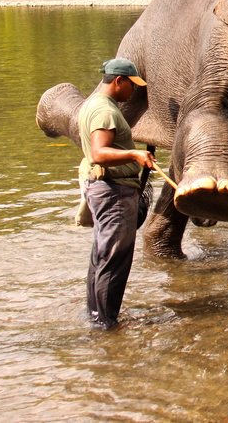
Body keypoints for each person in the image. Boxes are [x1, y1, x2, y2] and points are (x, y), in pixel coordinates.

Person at [77, 58, 156, 329]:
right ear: (118, 81)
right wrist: (134, 153)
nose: (133, 92)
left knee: (101, 256)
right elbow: (99, 154)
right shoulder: (105, 111)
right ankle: (106, 325)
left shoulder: (93, 105)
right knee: (114, 261)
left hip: (104, 191)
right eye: (131, 85)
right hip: (114, 194)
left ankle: (95, 316)